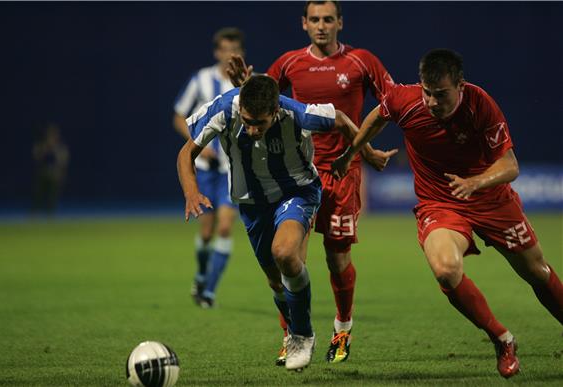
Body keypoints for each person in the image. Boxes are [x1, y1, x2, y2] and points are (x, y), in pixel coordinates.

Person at [332, 48, 563, 378]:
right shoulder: (405, 99)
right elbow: (378, 115)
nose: (431, 102)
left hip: (491, 199)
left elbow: (510, 165)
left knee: (536, 272)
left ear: (460, 86)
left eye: (440, 95)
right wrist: (356, 151)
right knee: (445, 269)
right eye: (427, 92)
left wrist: (476, 182)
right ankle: (502, 339)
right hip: (440, 203)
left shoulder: (480, 104)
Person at [177, 75, 393, 371]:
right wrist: (191, 192)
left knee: (285, 253)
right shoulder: (224, 109)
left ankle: (302, 335)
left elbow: (341, 119)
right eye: (248, 121)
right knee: (275, 280)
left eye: (260, 123)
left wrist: (363, 153)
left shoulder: (297, 114)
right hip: (252, 203)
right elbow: (186, 153)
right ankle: (294, 330)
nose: (252, 130)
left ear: (275, 111)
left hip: (298, 192)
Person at [227, 0, 395, 365]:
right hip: (296, 174)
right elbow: (262, 97)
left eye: (328, 19)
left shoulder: (362, 61)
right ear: (304, 23)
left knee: (337, 259)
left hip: (340, 171)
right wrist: (244, 83)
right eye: (315, 19)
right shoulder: (290, 62)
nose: (321, 25)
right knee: (289, 258)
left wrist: (363, 150)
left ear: (340, 23)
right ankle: (293, 336)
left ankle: (342, 329)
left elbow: (391, 102)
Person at [173, 27, 245, 308]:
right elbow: (179, 115)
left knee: (225, 228)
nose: (229, 54)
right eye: (224, 49)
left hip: (232, 168)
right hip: (204, 167)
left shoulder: (245, 83)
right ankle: (202, 274)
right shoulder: (201, 79)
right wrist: (198, 143)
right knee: (206, 231)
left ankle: (209, 292)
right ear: (217, 52)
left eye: (234, 49)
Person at [32, 122, 69, 215]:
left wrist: (55, 149)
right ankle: (35, 214)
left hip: (54, 175)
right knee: (38, 196)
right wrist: (46, 148)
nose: (52, 137)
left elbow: (63, 160)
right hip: (43, 174)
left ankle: (50, 215)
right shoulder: (41, 145)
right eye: (50, 134)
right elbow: (36, 156)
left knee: (52, 197)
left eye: (54, 134)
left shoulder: (60, 147)